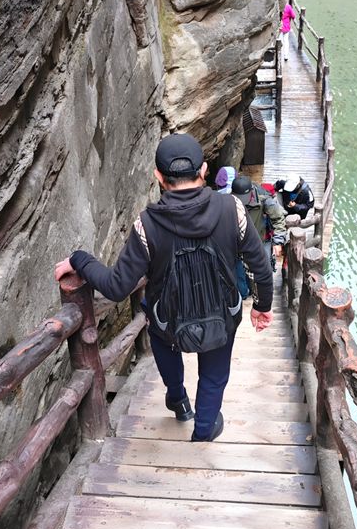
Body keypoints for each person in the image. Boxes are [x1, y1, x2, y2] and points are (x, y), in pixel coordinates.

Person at [54, 133, 274, 442]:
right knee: (214, 373)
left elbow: (117, 287)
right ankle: (204, 430)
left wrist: (79, 259)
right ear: (204, 170)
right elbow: (260, 267)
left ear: (158, 176)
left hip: (169, 321)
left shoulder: (147, 225)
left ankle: (178, 399)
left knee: (160, 334)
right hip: (221, 314)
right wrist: (262, 307)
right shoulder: (232, 210)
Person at [231, 175, 287, 265]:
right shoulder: (228, 199)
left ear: (251, 192)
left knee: (265, 267)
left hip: (261, 240)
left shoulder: (265, 200)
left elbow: (278, 219)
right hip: (238, 243)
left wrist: (278, 242)